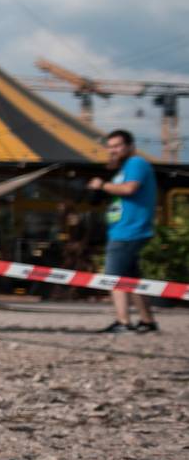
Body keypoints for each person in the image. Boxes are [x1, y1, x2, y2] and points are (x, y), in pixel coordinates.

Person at [90, 128, 161, 334]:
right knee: (132, 280)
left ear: (130, 146)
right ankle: (147, 322)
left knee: (114, 277)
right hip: (123, 229)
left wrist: (102, 185)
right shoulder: (126, 167)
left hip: (128, 230)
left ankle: (123, 322)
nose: (113, 150)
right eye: (110, 147)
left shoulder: (136, 163)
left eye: (117, 146)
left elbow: (129, 189)